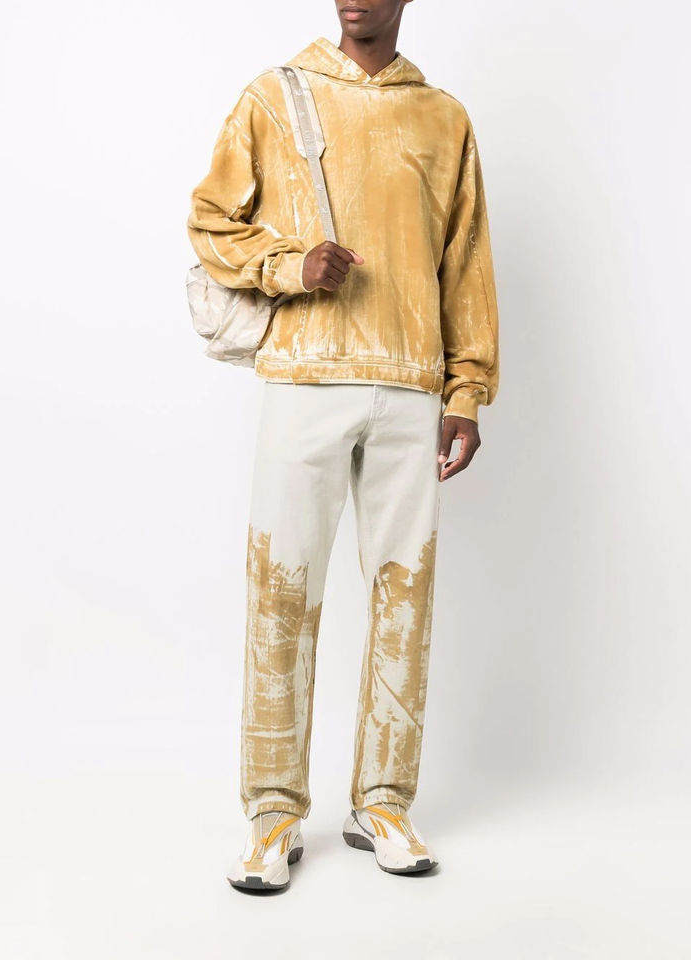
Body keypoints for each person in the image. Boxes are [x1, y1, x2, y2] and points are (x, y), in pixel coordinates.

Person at [187, 0, 499, 891]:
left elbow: (465, 262)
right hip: (305, 378)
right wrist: (291, 266)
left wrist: (466, 390)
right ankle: (272, 814)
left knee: (405, 596)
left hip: (411, 385)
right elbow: (211, 220)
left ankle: (385, 801)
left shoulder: (443, 117)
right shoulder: (273, 96)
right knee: (282, 593)